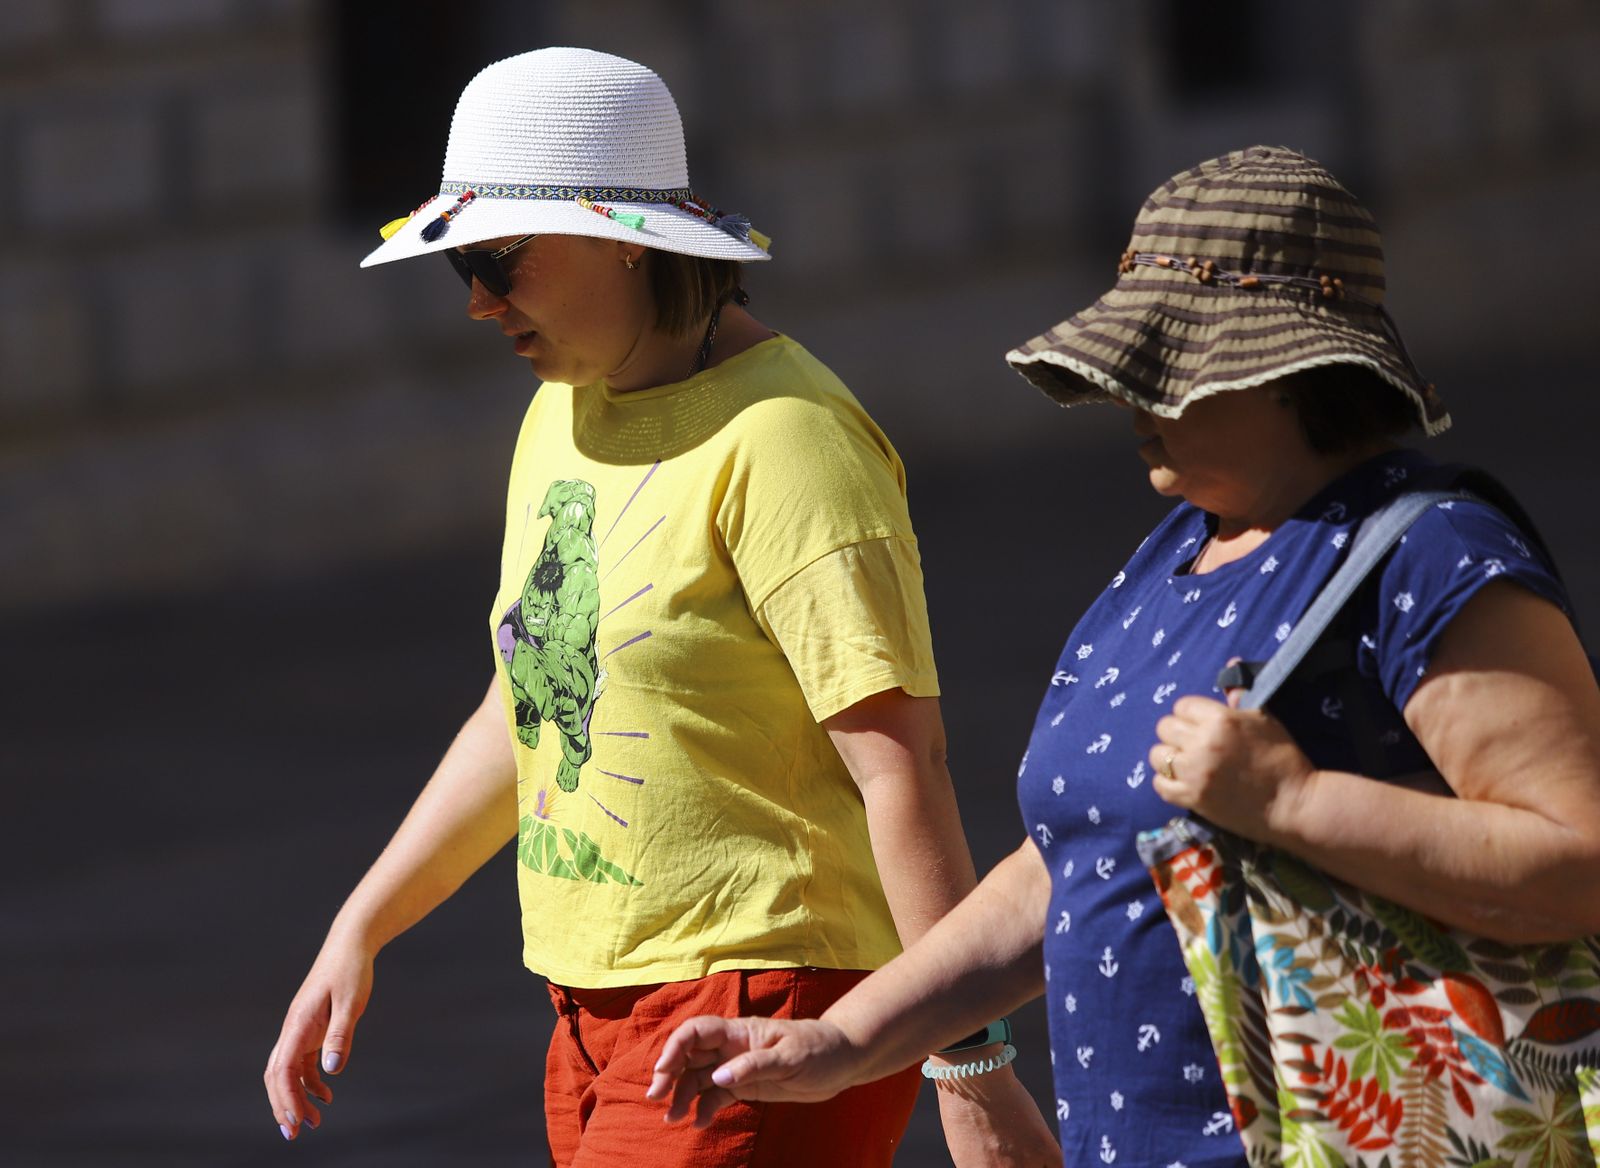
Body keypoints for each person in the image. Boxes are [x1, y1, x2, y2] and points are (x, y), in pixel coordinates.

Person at [648, 145, 1600, 1166]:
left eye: (1166, 367)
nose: (1129, 397)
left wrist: (1293, 804)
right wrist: (842, 1041)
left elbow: (1578, 865)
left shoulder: (1430, 550)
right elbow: (1075, 854)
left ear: (1284, 370)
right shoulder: (1182, 543)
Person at [261, 47, 1058, 1167]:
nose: (483, 304)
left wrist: (965, 1064)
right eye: (462, 272)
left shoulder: (788, 438)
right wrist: (363, 925)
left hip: (759, 1002)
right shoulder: (563, 410)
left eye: (501, 260)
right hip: (586, 1013)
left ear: (630, 243)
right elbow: (529, 702)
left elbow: (902, 764)